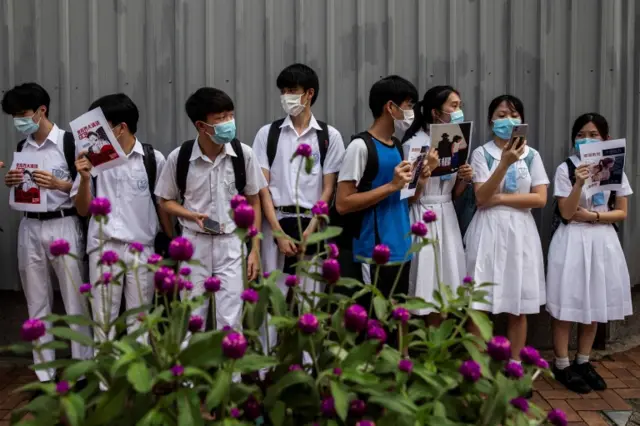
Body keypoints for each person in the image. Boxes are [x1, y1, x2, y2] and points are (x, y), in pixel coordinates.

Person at [2, 82, 92, 383]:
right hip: (29, 226)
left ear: (42, 111)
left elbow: (85, 191)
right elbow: (21, 191)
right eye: (14, 115)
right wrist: (12, 182)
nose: (19, 120)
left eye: (23, 113)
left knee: (73, 300)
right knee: (36, 302)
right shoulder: (22, 147)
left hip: (64, 223)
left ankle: (81, 373)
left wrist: (59, 184)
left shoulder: (70, 144)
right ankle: (44, 376)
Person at [155, 87, 266, 331]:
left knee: (231, 318)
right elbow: (165, 200)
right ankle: (188, 368)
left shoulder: (243, 154)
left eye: (230, 115)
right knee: (191, 314)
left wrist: (254, 249)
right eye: (220, 118)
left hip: (231, 243)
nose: (229, 123)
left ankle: (231, 370)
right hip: (194, 243)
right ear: (201, 125)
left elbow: (254, 200)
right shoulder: (180, 157)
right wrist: (189, 215)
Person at [253, 63, 345, 352]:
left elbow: (328, 188)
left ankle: (308, 365)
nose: (286, 97)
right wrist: (278, 232)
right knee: (272, 297)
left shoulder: (329, 136)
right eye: (283, 91)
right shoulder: (267, 135)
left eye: (292, 91)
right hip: (275, 222)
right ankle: (267, 365)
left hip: (311, 224)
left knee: (309, 298)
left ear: (309, 94)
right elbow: (262, 188)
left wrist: (312, 230)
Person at [72, 93, 172, 342]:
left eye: (99, 126)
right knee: (103, 321)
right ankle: (105, 381)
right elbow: (83, 209)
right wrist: (84, 179)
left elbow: (163, 205)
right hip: (103, 247)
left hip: (142, 249)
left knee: (140, 321)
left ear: (120, 128)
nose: (91, 133)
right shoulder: (91, 162)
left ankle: (138, 378)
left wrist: (171, 244)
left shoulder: (153, 159)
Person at [547, 113, 633, 394]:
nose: (587, 139)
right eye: (581, 134)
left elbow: (621, 212)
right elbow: (567, 213)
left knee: (594, 304)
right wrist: (579, 183)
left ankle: (583, 361)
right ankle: (561, 363)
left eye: (593, 134)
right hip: (572, 240)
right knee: (566, 303)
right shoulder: (566, 168)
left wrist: (595, 216)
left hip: (602, 240)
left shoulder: (615, 166)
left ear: (606, 139)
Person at [464, 94, 549, 361]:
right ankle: (476, 371)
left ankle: (514, 366)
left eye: (513, 115)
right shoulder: (481, 153)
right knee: (479, 303)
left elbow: (539, 198)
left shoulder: (532, 155)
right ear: (491, 120)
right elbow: (480, 197)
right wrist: (504, 164)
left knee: (518, 304)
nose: (507, 120)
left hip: (521, 232)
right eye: (501, 115)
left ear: (522, 121)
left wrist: (498, 198)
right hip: (487, 230)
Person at [336, 75, 430, 310]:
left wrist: (422, 181)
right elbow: (343, 203)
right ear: (390, 107)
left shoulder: (397, 145)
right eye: (408, 105)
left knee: (399, 315)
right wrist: (391, 186)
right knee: (376, 320)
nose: (411, 113)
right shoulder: (360, 147)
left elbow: (406, 200)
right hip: (374, 250)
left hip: (401, 246)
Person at [401, 85, 473, 325]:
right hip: (422, 215)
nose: (458, 111)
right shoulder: (414, 143)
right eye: (453, 106)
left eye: (460, 106)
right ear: (435, 112)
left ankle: (436, 346)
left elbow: (453, 194)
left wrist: (464, 177)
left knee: (444, 284)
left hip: (447, 216)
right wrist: (423, 174)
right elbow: (409, 196)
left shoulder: (457, 139)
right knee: (421, 279)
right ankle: (409, 351)